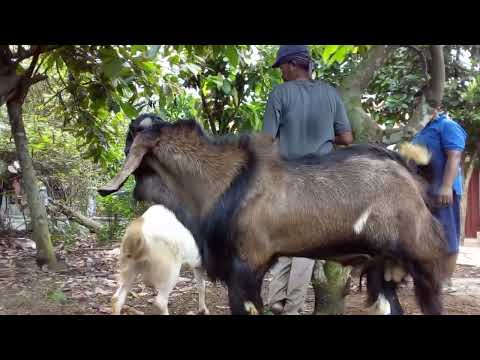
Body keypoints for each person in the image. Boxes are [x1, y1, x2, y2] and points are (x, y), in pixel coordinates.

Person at [262, 45, 353, 315]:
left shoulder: (279, 94)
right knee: (306, 248)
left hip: (286, 180)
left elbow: (267, 141)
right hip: (320, 182)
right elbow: (347, 139)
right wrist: (325, 135)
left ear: (292, 65)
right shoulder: (330, 93)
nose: (281, 74)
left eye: (281, 68)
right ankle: (293, 308)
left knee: (282, 241)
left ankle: (276, 300)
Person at [411, 92, 467, 293]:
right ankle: (431, 278)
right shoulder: (421, 131)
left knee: (448, 235)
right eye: (417, 107)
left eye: (423, 106)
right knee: (428, 235)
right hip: (424, 192)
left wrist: (446, 186)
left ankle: (446, 281)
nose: (420, 111)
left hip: (444, 191)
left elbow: (454, 156)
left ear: (436, 107)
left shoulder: (447, 126)